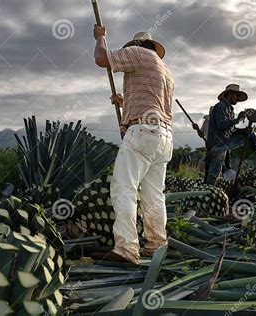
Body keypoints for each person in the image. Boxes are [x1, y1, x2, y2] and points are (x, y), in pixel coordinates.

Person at [92, 27, 175, 264]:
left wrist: (100, 37)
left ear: (138, 45)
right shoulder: (166, 71)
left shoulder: (139, 54)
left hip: (143, 132)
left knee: (124, 188)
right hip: (164, 136)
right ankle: (157, 244)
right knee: (154, 195)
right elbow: (155, 102)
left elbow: (101, 59)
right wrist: (124, 100)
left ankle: (127, 248)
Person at [205, 84, 256, 185]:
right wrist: (238, 119)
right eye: (236, 96)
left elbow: (231, 130)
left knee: (251, 134)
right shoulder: (220, 106)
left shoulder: (229, 109)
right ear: (229, 94)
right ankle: (205, 194)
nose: (237, 99)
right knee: (213, 174)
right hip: (217, 145)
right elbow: (221, 125)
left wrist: (243, 131)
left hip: (225, 143)